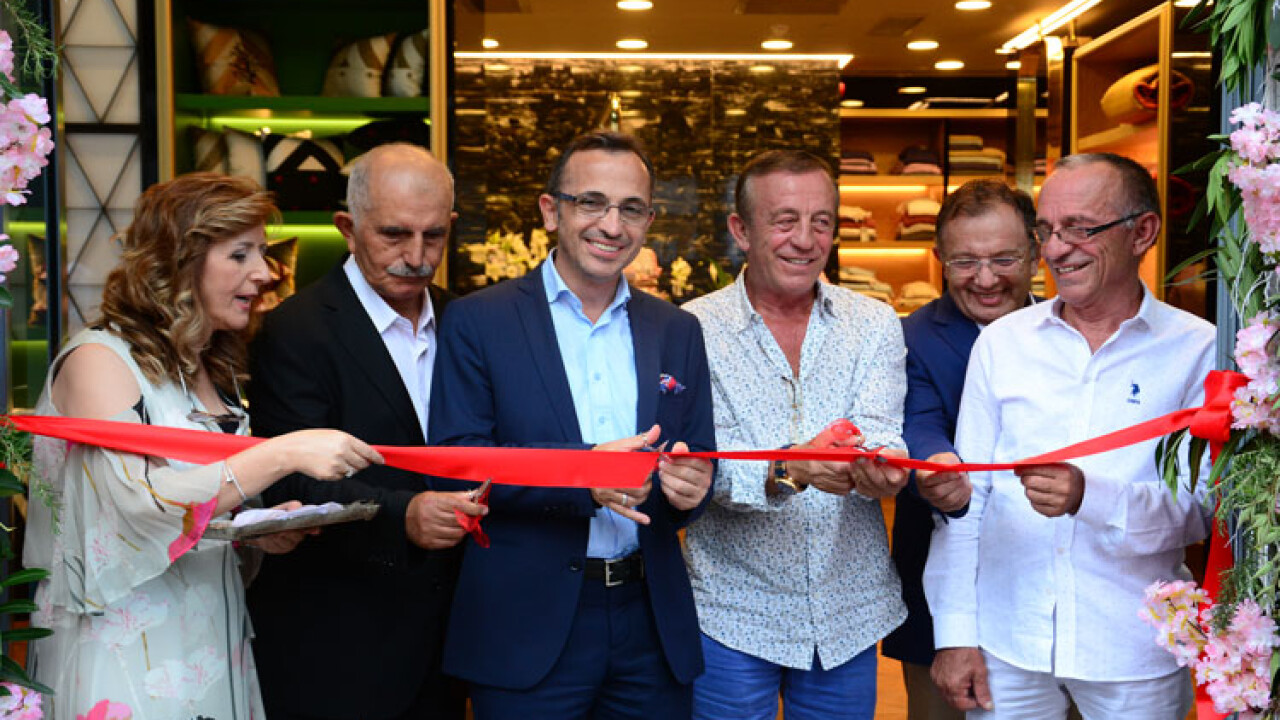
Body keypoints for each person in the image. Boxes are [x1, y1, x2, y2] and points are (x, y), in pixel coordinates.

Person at [23, 173, 382, 719]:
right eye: (240, 254)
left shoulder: (210, 368)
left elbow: (200, 514)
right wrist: (282, 453)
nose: (265, 272)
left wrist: (256, 532)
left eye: (261, 251)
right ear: (178, 262)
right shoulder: (98, 360)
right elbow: (138, 506)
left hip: (211, 637)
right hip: (127, 647)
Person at [429, 130, 716, 719]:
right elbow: (457, 465)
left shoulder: (677, 329)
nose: (611, 225)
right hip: (524, 624)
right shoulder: (477, 320)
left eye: (630, 209)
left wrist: (693, 489)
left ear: (649, 221)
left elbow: (699, 458)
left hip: (650, 624)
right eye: (591, 202)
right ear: (550, 210)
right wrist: (584, 477)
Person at [924, 153, 1215, 719]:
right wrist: (956, 634)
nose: (1056, 250)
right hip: (1007, 640)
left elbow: (1200, 509)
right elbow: (966, 502)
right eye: (1047, 230)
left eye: (1080, 228)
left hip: (1133, 644)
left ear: (1143, 232)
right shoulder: (1002, 343)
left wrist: (1091, 497)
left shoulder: (1197, 349)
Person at [247, 143, 483, 720]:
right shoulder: (294, 331)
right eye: (394, 235)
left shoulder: (465, 321)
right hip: (337, 642)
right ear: (347, 229)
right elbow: (287, 479)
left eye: (434, 236)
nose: (417, 256)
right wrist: (403, 515)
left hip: (447, 643)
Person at [681, 149, 910, 720]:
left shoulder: (875, 323)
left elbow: (884, 432)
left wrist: (885, 468)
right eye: (785, 221)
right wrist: (790, 467)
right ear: (741, 230)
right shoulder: (691, 329)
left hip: (847, 612)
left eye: (821, 221)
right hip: (732, 612)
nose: (805, 240)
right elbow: (700, 466)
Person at [884, 179, 1039, 720]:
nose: (986, 278)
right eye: (965, 262)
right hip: (939, 578)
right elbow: (917, 421)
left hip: (1045, 582)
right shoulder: (908, 337)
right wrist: (936, 468)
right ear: (939, 261)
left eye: (1004, 259)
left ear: (1036, 251)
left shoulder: (1072, 328)